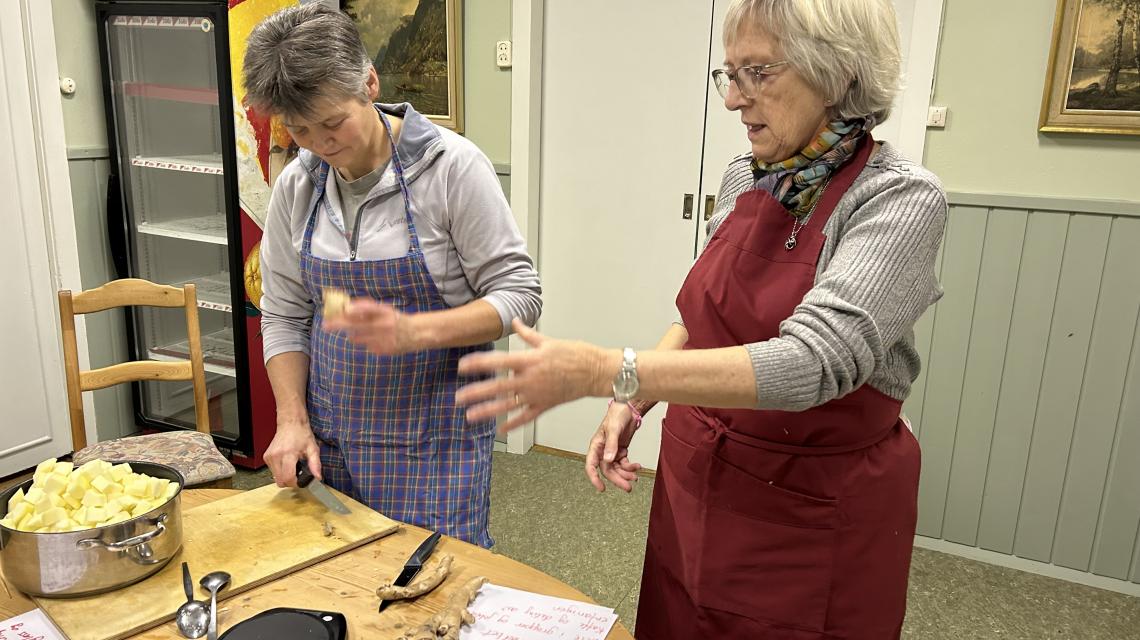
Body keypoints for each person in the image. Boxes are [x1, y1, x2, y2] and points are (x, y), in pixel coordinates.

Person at [455, 0, 947, 635]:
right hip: (699, 482)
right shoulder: (748, 176)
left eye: (758, 74)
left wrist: (614, 372)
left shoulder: (898, 198)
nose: (733, 100)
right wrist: (631, 404)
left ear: (839, 73)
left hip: (814, 505)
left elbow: (814, 362)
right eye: (729, 74)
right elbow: (697, 310)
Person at [243, 5, 541, 548]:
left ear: (370, 82)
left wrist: (419, 332)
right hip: (330, 442)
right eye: (301, 130)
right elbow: (285, 314)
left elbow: (520, 296)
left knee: (432, 595)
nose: (321, 144)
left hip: (434, 447)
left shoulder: (451, 168)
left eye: (333, 123)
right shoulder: (297, 187)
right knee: (336, 585)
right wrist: (291, 419)